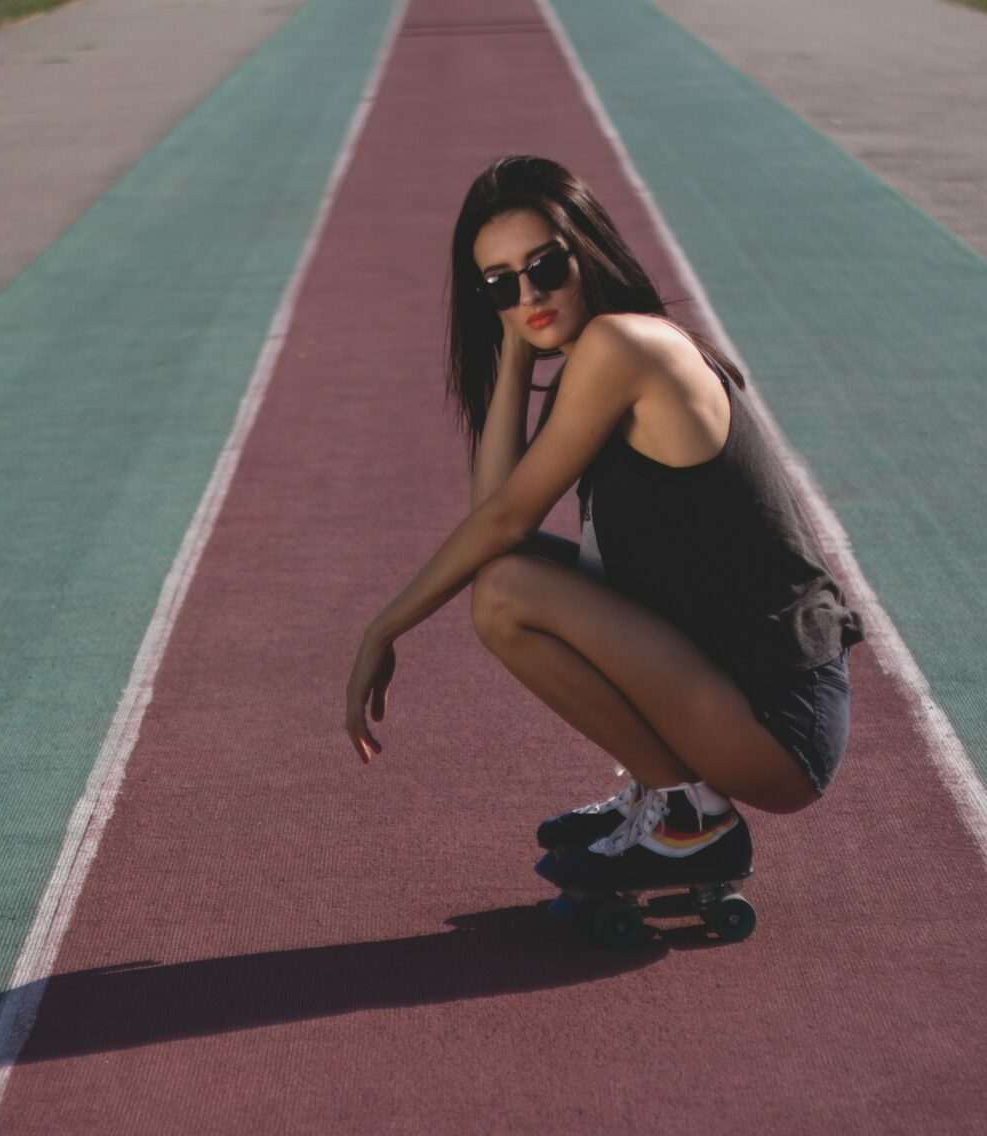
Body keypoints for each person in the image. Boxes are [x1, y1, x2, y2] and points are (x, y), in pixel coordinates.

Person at [343, 154, 864, 893]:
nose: (530, 294)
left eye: (545, 268)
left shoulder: (625, 347)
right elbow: (495, 515)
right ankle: (671, 796)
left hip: (778, 722)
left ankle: (691, 815)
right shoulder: (597, 349)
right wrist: (517, 344)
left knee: (507, 591)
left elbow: (504, 521)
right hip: (724, 685)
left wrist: (381, 631)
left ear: (585, 251)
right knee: (502, 581)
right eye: (501, 284)